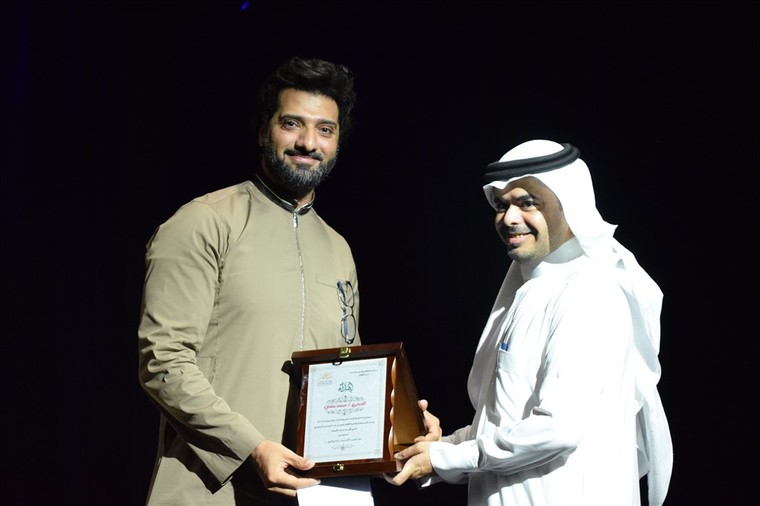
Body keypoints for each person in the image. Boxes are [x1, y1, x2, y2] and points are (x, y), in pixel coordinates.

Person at [390, 139, 673, 505]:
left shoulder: (589, 293)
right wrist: (434, 450)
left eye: (528, 203)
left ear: (570, 205)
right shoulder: (526, 292)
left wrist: (445, 458)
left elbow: (556, 428)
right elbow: (504, 423)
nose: (509, 218)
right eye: (501, 205)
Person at [137, 56, 362, 505]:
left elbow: (349, 372)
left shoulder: (338, 248)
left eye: (325, 129)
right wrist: (251, 447)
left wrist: (400, 428)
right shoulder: (204, 222)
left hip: (313, 492)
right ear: (263, 131)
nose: (308, 142)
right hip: (211, 490)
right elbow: (163, 361)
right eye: (292, 124)